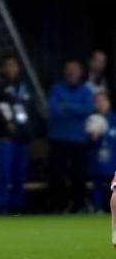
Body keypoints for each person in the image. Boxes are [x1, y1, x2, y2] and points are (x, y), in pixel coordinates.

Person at [0, 54, 38, 214]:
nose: (11, 68)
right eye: (7, 65)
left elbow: (32, 111)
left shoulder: (26, 87)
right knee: (5, 174)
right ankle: (1, 207)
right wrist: (6, 123)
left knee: (20, 175)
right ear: (3, 68)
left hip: (23, 138)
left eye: (13, 65)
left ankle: (18, 208)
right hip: (5, 138)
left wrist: (29, 129)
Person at [48, 60, 94, 213]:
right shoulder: (56, 89)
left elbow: (87, 110)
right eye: (69, 69)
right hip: (59, 138)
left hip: (78, 139)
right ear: (64, 72)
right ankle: (59, 206)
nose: (72, 73)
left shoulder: (86, 90)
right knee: (57, 174)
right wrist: (76, 109)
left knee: (79, 175)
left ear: (80, 72)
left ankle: (78, 206)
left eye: (75, 70)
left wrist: (67, 105)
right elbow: (54, 111)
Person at [87, 92, 116, 212]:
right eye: (97, 102)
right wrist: (94, 138)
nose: (100, 104)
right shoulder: (92, 120)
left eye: (103, 101)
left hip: (113, 162)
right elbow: (89, 144)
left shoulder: (114, 120)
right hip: (98, 162)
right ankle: (97, 208)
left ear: (108, 103)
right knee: (97, 186)